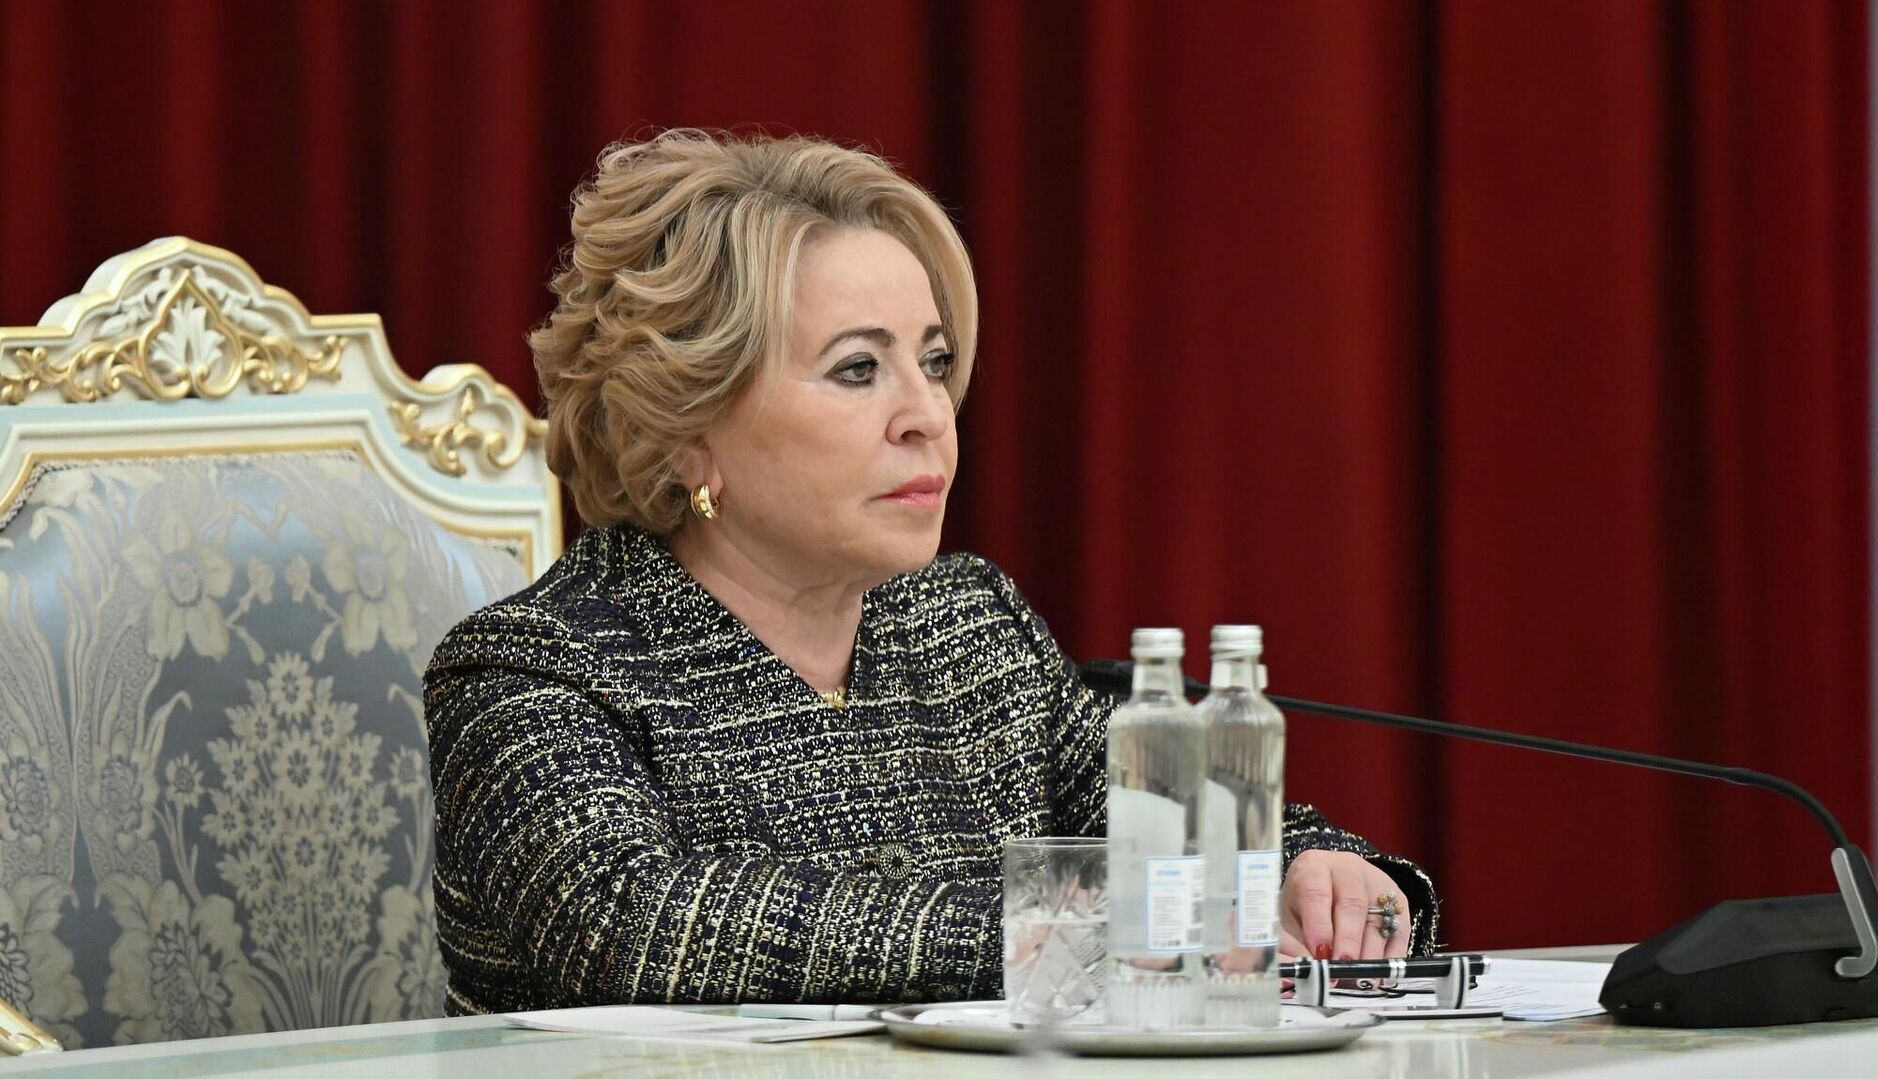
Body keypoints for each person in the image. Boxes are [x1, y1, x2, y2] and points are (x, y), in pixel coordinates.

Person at [424, 129, 1437, 1015]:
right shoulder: (530, 669)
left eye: (936, 360)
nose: (927, 413)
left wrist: (1311, 872)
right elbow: (637, 925)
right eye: (858, 368)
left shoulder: (965, 627)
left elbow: (1168, 831)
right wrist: (1085, 924)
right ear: (688, 431)